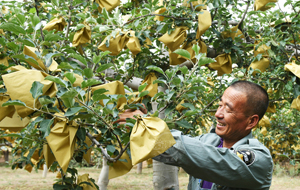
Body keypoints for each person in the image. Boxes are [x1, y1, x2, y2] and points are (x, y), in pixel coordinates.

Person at [119, 80, 273, 190]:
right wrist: (134, 125)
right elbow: (170, 151)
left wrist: (146, 126)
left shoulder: (258, 159)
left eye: (228, 109)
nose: (218, 114)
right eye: (220, 105)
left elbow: (204, 157)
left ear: (251, 121)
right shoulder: (207, 140)